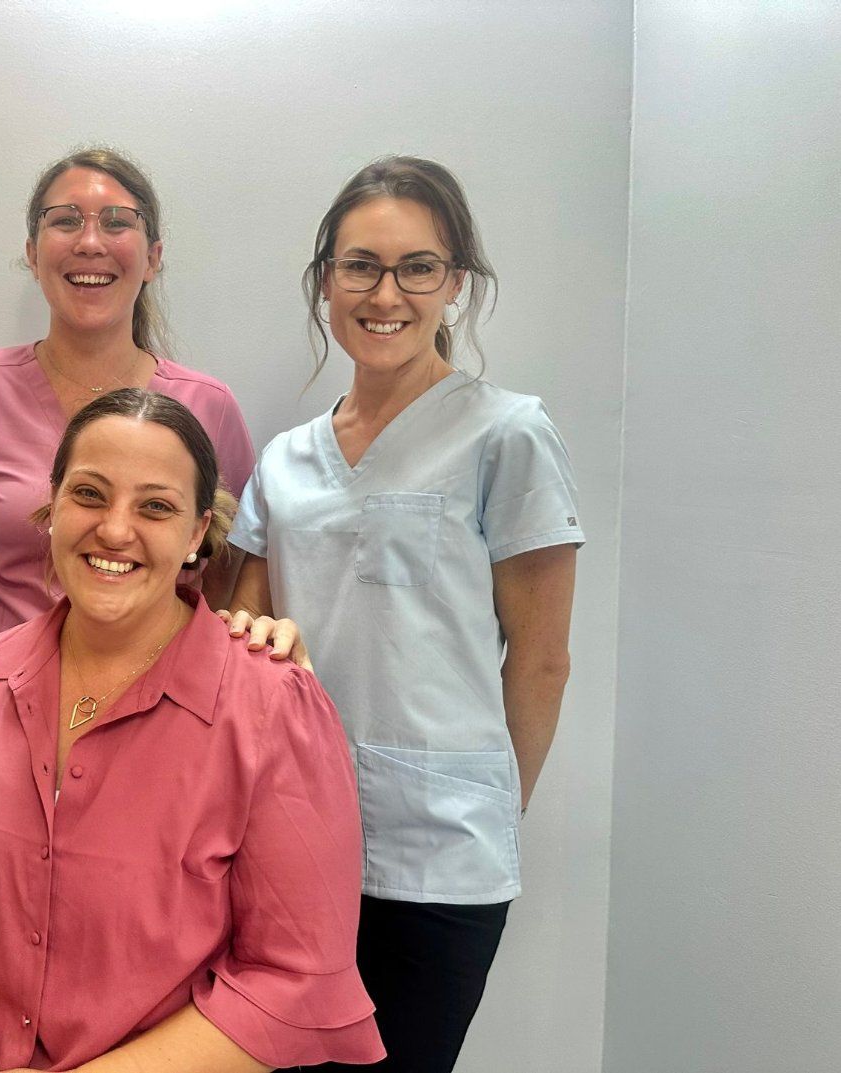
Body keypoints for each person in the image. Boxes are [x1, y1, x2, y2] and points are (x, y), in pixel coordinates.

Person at [0, 389, 385, 1073]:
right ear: (51, 508)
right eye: (89, 494)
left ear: (198, 533)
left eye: (155, 506)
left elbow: (294, 977)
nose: (114, 529)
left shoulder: (273, 710)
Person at [225, 157, 584, 1073]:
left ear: (454, 283)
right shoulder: (285, 461)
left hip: (440, 861)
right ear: (325, 281)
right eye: (360, 266)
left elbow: (541, 660)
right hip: (289, 847)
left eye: (417, 267)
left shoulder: (507, 435)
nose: (386, 293)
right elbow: (242, 646)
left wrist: (493, 806)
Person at [0, 147, 255, 648]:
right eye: (66, 221)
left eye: (117, 222)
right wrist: (0, 656)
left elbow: (222, 571)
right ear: (32, 253)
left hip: (153, 709)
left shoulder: (210, 407)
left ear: (153, 258)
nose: (90, 242)